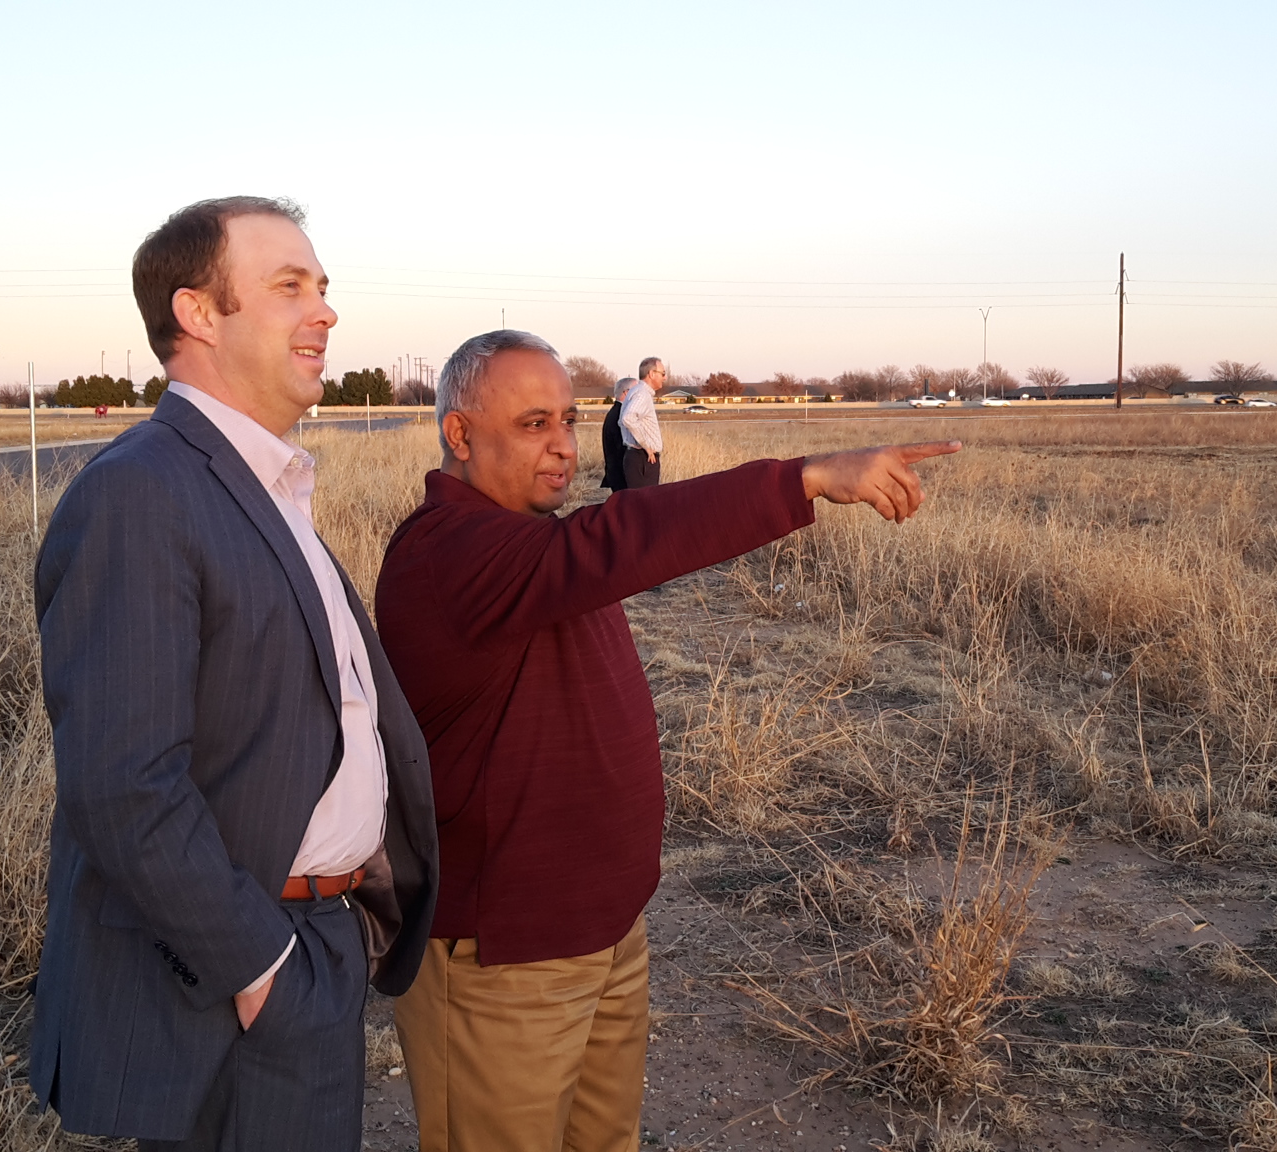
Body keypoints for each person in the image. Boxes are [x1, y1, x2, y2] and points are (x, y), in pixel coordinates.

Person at [375, 329, 956, 1152]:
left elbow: (606, 545)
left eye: (569, 422)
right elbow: (618, 540)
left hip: (606, 932)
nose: (563, 448)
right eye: (533, 424)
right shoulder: (446, 553)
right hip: (504, 957)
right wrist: (808, 479)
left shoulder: (532, 545)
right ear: (460, 435)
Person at [31, 196, 439, 1152]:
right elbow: (123, 786)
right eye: (289, 286)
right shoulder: (142, 491)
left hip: (314, 944)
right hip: (236, 979)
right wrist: (262, 970)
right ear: (199, 314)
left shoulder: (262, 482)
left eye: (324, 288)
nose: (326, 311)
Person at [617, 357, 665, 487]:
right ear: (651, 374)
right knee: (645, 503)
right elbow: (628, 418)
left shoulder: (636, 391)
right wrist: (647, 446)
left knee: (638, 502)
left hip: (637, 457)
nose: (664, 378)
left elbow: (622, 421)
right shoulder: (642, 394)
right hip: (643, 458)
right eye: (663, 374)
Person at [599, 376, 630, 491]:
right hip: (620, 474)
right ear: (627, 393)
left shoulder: (615, 412)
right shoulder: (621, 415)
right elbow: (621, 447)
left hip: (616, 472)